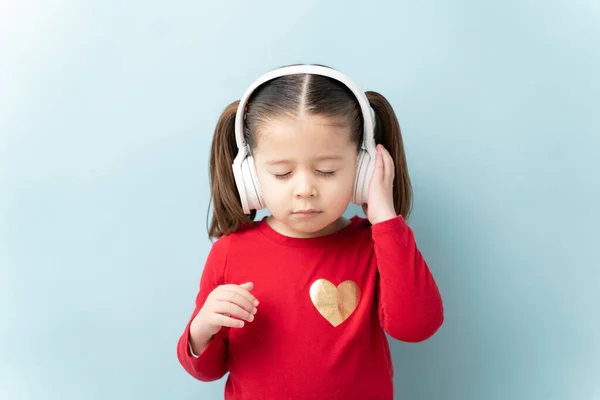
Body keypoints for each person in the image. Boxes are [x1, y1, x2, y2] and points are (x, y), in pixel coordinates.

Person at [176, 64, 444, 399]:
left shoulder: (375, 247)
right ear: (250, 176)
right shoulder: (230, 252)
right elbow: (207, 370)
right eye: (282, 173)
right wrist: (203, 329)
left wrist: (385, 219)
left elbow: (416, 327)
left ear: (362, 170)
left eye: (326, 171)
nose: (305, 189)